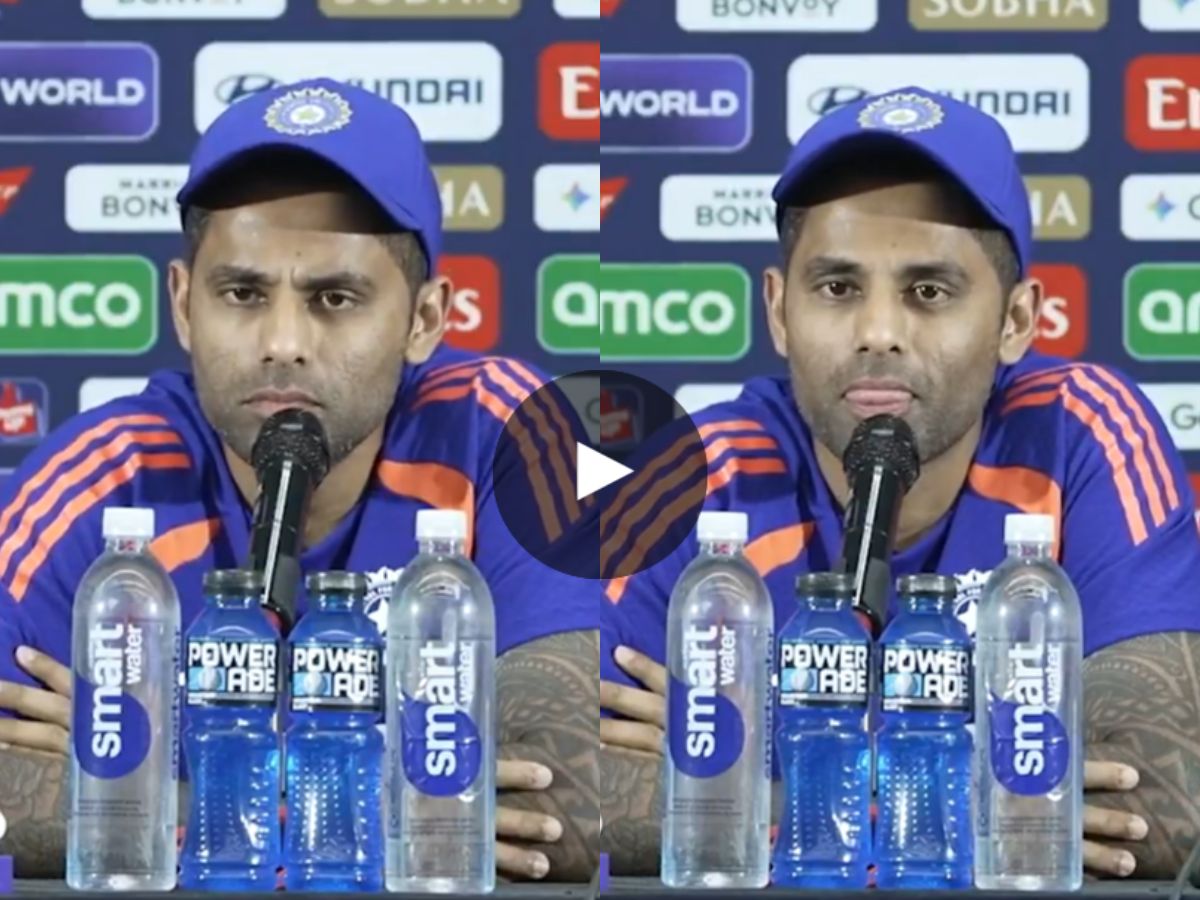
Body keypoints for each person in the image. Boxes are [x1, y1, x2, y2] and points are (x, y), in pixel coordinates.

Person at [0, 79, 598, 882]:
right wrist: (400, 800)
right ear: (184, 305)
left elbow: (567, 804)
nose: (283, 342)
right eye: (243, 293)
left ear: (424, 320)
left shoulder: (511, 436)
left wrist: (148, 784)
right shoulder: (104, 478)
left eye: (335, 298)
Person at [598, 87, 1200, 881]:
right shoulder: (695, 474)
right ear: (779, 311)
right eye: (838, 288)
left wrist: (746, 786)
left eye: (929, 291)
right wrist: (997, 795)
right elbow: (572, 793)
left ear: (1016, 321)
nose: (879, 332)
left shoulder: (1081, 435)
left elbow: (1161, 803)